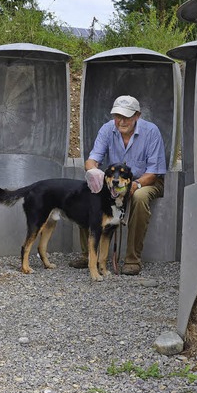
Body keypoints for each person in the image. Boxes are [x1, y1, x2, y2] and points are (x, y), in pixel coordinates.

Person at [69, 95, 166, 275]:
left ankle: (132, 259)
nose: (121, 121)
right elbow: (92, 160)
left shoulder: (151, 131)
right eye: (117, 116)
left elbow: (153, 173)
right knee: (88, 191)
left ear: (137, 115)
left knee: (139, 196)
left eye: (127, 117)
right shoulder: (107, 129)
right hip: (115, 180)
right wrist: (94, 174)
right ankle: (88, 254)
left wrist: (133, 186)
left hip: (145, 180)